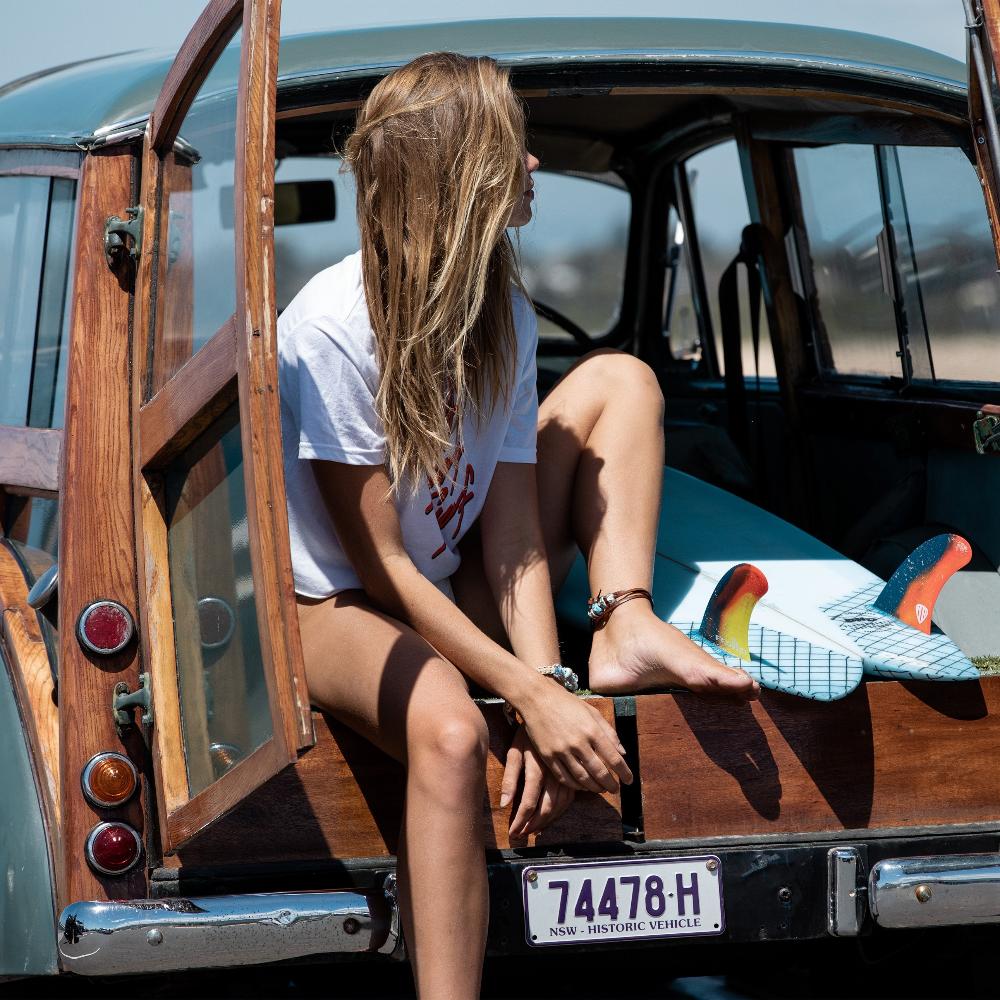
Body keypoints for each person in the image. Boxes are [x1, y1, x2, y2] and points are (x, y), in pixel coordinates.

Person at [278, 51, 759, 999]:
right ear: (461, 169)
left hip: (450, 574)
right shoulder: (330, 328)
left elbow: (513, 541)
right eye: (516, 145)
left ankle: (624, 626)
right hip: (331, 602)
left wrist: (550, 684)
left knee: (623, 378)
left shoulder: (501, 306)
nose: (534, 165)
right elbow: (382, 572)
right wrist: (520, 699)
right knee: (454, 733)